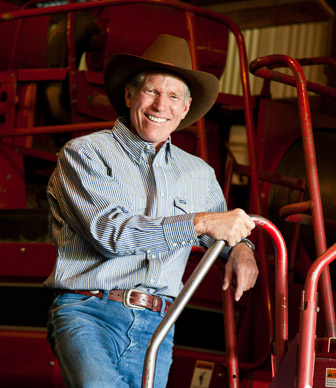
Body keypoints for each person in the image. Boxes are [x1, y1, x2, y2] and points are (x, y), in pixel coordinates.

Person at [45, 34, 258, 388]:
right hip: (90, 312)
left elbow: (219, 234)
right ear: (129, 95)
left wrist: (242, 250)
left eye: (173, 96)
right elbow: (111, 234)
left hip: (158, 323)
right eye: (151, 92)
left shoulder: (198, 174)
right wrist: (201, 221)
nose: (161, 105)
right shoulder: (84, 154)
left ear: (186, 108)